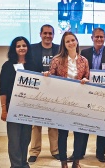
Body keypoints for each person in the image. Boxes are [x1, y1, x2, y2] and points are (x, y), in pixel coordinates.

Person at [45, 31, 90, 168]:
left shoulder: (84, 60)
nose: (71, 43)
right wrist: (47, 75)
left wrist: (85, 80)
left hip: (79, 102)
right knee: (63, 134)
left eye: (73, 40)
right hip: (62, 103)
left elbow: (87, 77)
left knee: (79, 133)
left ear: (76, 41)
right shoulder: (57, 60)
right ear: (64, 45)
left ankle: (76, 161)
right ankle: (63, 162)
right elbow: (51, 79)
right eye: (67, 41)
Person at [0, 36, 37, 168]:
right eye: (18, 46)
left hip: (28, 108)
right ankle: (15, 165)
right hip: (12, 107)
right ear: (14, 49)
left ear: (28, 48)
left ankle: (23, 163)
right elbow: (3, 89)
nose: (21, 48)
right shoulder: (7, 66)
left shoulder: (33, 65)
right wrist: (4, 109)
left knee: (25, 138)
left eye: (24, 45)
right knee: (14, 140)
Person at [80, 27, 105, 162]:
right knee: (84, 124)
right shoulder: (84, 52)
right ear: (92, 38)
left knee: (102, 124)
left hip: (103, 95)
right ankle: (80, 152)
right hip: (87, 93)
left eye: (101, 37)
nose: (99, 39)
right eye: (97, 37)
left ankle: (100, 153)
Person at [28, 24, 60, 163]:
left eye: (50, 33)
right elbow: (28, 66)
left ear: (53, 35)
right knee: (36, 124)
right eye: (45, 33)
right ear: (40, 34)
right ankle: (34, 151)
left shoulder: (59, 49)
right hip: (37, 90)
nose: (48, 36)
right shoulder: (32, 48)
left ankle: (55, 151)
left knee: (53, 122)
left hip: (54, 90)